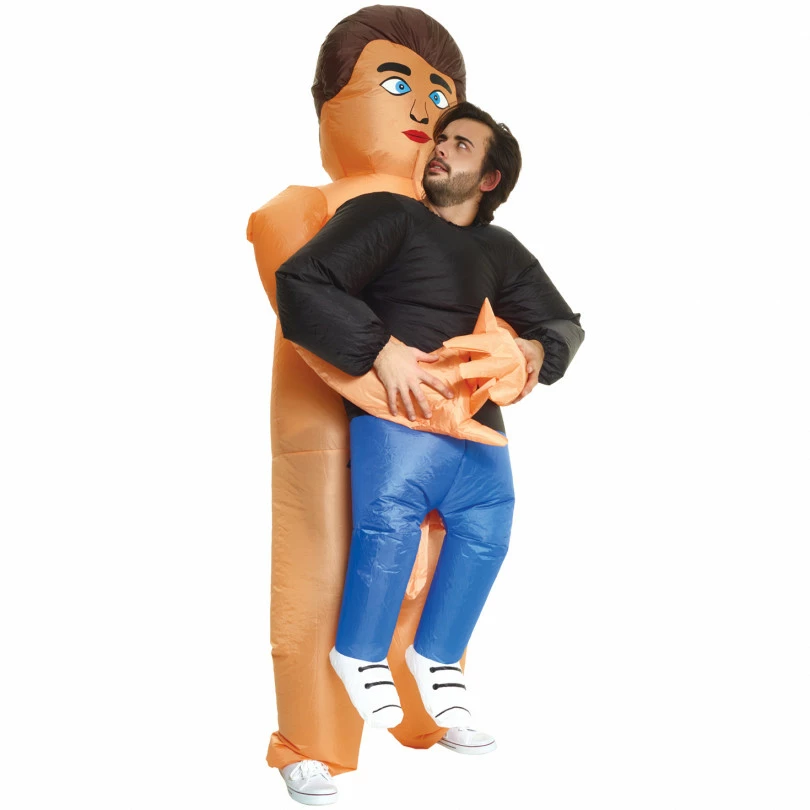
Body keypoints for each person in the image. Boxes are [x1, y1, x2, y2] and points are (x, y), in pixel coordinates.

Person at [247, 7, 503, 806]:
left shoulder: (454, 233)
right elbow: (303, 294)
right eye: (397, 86)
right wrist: (387, 357)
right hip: (326, 420)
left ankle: (423, 712)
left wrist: (510, 360)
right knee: (325, 570)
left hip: (439, 420)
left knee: (430, 562)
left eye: (440, 94)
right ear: (333, 105)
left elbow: (487, 317)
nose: (424, 108)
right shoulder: (309, 206)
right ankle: (310, 742)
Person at [275, 101, 584, 738]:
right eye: (441, 138)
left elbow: (562, 323)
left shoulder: (501, 250)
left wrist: (532, 351)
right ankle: (358, 652)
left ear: (490, 178)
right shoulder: (389, 215)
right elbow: (304, 280)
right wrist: (378, 349)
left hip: (480, 429)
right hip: (402, 417)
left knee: (488, 534)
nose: (439, 147)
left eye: (461, 144)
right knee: (387, 525)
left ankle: (438, 658)